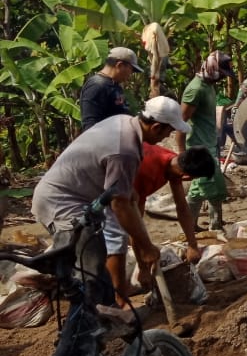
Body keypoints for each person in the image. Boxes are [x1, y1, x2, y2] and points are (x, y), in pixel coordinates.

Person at [30, 96, 190, 307]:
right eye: (168, 131)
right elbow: (119, 205)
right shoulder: (124, 150)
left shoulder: (123, 122)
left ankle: (105, 312)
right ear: (157, 127)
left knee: (95, 264)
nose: (168, 136)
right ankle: (86, 328)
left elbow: (117, 186)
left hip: (74, 197)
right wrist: (147, 247)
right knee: (92, 270)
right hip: (61, 203)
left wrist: (128, 190)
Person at [110, 144, 215, 306]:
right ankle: (117, 300)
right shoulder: (146, 170)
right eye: (193, 178)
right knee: (115, 244)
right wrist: (142, 266)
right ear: (186, 175)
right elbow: (134, 222)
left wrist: (192, 245)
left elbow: (182, 208)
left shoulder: (174, 164)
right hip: (103, 195)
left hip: (126, 197)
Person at [177, 51, 236, 230]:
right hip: (197, 148)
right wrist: (182, 156)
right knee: (206, 189)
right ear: (212, 69)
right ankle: (200, 227)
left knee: (207, 189)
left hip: (210, 144)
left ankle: (206, 225)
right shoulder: (195, 90)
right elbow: (181, 123)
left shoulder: (208, 86)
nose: (221, 78)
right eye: (221, 74)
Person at [79, 46, 143, 131]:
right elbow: (90, 125)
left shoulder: (114, 84)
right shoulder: (97, 86)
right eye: (131, 69)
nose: (130, 74)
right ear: (119, 65)